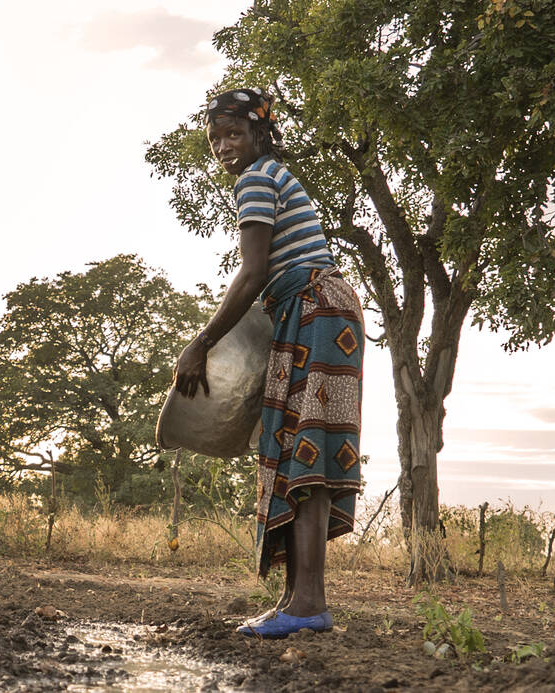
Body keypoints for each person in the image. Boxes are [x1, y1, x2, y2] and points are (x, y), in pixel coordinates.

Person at [171, 88, 366, 639]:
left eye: (234, 135)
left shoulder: (257, 178)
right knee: (300, 451)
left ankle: (307, 606)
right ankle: (298, 602)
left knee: (305, 454)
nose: (224, 148)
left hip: (314, 309)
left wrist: (201, 343)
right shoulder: (274, 176)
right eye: (215, 139)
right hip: (323, 309)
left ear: (259, 134)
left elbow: (253, 273)